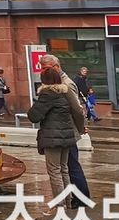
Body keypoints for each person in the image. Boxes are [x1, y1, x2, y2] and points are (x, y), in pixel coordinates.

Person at [27, 67, 86, 212]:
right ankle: (68, 201)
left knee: (54, 170)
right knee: (64, 169)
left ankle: (60, 204)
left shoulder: (47, 94)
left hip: (53, 138)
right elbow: (76, 111)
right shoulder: (64, 93)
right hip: (66, 136)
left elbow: (34, 116)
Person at [39, 54, 90, 201]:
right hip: (65, 131)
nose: (43, 71)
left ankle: (81, 200)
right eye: (42, 69)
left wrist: (80, 127)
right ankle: (73, 200)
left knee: (70, 167)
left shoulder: (66, 84)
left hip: (67, 132)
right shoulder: (55, 84)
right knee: (66, 167)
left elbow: (77, 109)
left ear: (56, 66)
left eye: (46, 68)